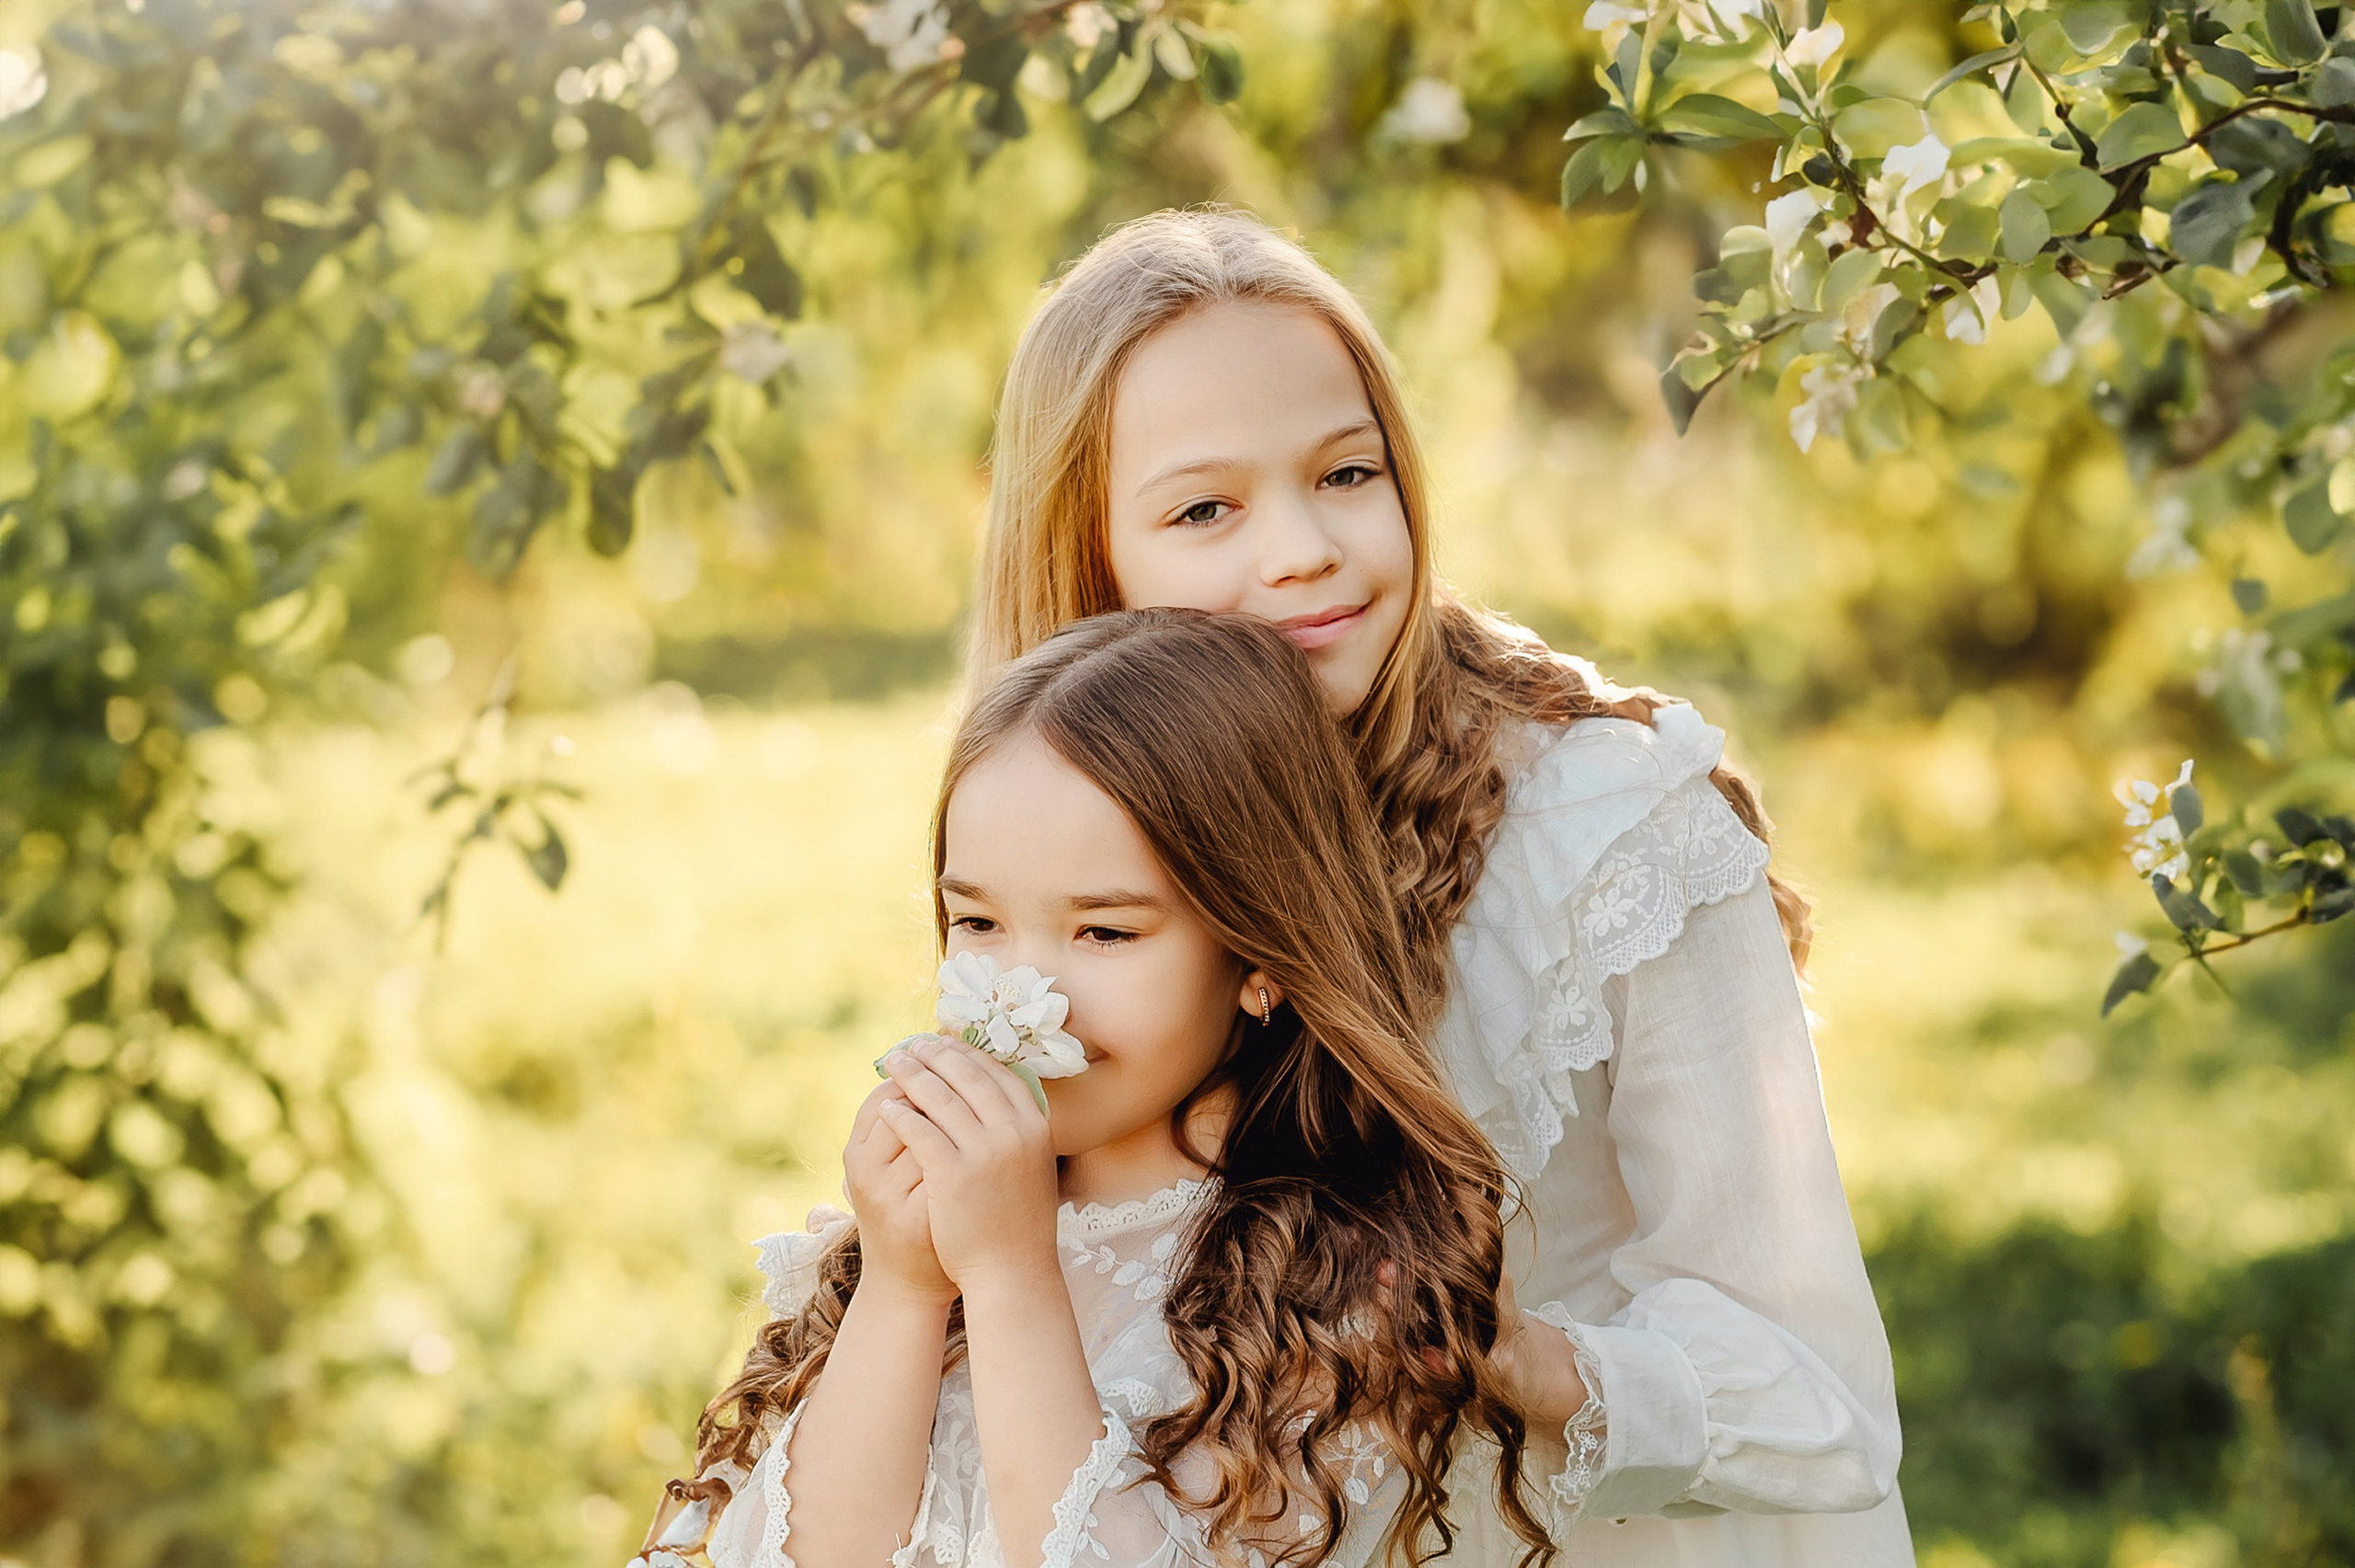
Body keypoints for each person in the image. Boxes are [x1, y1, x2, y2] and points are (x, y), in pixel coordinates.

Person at [966, 208, 1913, 1562]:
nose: (1302, 548)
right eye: (1205, 508)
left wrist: (1525, 1359)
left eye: (1347, 475)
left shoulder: (1608, 830)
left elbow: (1823, 1398)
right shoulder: (1064, 842)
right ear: (1087, 553)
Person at [634, 611, 1557, 1568]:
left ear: (1260, 950)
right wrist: (906, 1286)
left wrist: (1009, 1275)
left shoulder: (1335, 1294)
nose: (1020, 997)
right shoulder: (909, 1237)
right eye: (979, 922)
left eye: (1104, 932)